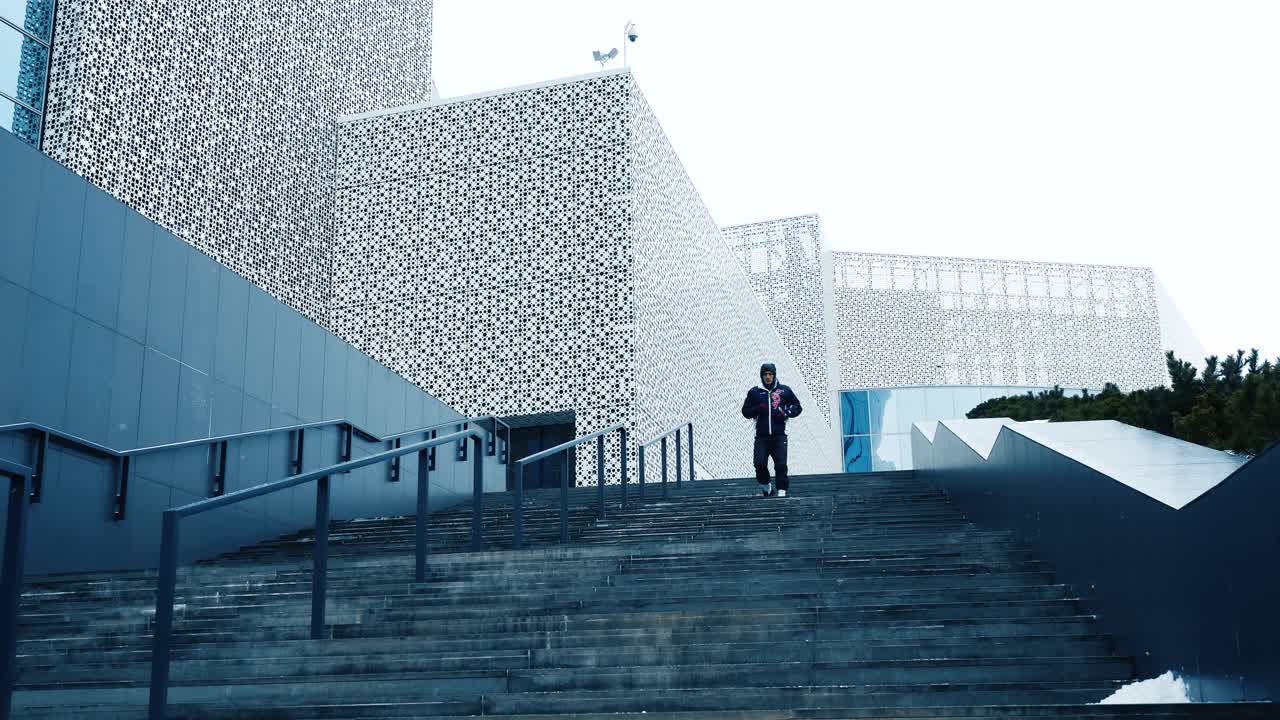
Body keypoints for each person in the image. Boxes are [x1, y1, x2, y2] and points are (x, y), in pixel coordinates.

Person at [741, 362, 802, 497]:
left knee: (781, 465)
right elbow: (745, 411)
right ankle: (767, 487)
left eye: (770, 374)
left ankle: (781, 492)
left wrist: (785, 413)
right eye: (765, 374)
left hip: (779, 435)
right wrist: (758, 408)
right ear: (761, 376)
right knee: (759, 464)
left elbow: (797, 407)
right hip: (761, 436)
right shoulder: (754, 392)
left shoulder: (784, 390)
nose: (768, 377)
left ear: (774, 375)